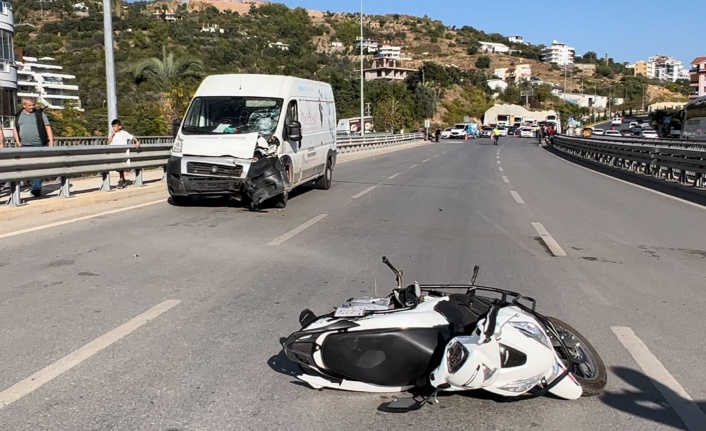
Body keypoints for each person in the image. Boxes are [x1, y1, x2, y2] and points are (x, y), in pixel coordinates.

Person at [13, 97, 54, 197]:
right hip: (24, 145)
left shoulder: (40, 114)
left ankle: (36, 188)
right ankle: (33, 184)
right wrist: (18, 142)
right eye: (29, 105)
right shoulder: (18, 116)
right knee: (27, 167)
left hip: (38, 144)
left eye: (33, 105)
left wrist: (51, 143)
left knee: (37, 166)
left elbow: (47, 128)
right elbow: (15, 129)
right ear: (24, 106)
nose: (32, 107)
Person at [108, 119, 141, 188]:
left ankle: (121, 180)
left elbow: (132, 137)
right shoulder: (112, 133)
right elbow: (108, 142)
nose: (114, 128)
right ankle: (122, 180)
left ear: (119, 126)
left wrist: (137, 141)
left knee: (120, 167)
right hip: (115, 152)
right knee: (119, 168)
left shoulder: (124, 133)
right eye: (113, 127)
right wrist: (111, 135)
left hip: (122, 152)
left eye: (115, 126)